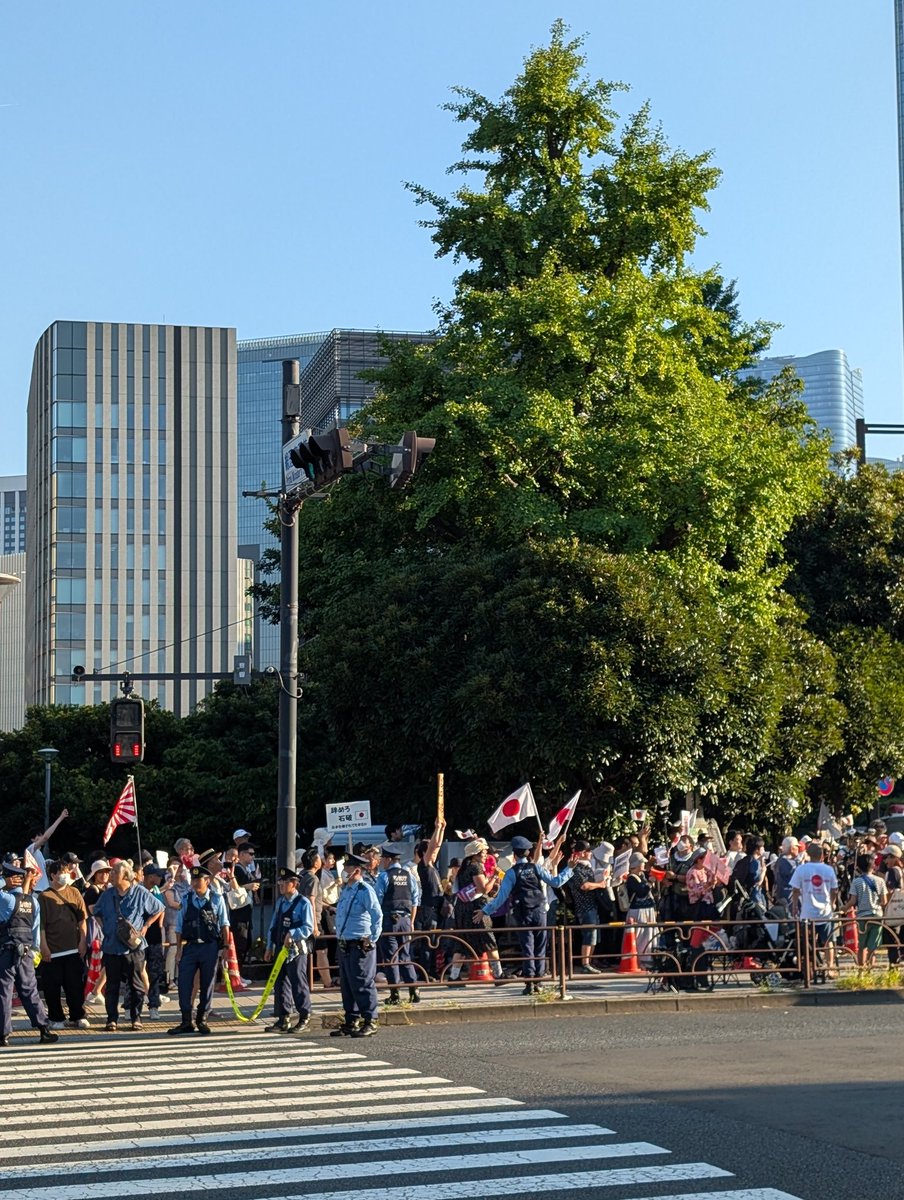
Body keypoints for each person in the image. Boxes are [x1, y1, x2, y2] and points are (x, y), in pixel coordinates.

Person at [481, 834, 572, 994]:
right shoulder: (536, 868)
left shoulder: (511, 873)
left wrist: (485, 911)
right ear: (528, 853)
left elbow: (501, 897)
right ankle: (539, 982)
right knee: (540, 946)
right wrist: (569, 868)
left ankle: (529, 983)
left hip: (522, 912)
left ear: (514, 854)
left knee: (527, 946)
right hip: (540, 911)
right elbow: (556, 882)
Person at [92, 860, 165, 1031]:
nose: (111, 875)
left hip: (134, 948)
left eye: (114, 872)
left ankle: (136, 1017)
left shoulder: (140, 892)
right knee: (112, 985)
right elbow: (96, 912)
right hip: (111, 946)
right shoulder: (107, 894)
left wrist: (146, 926)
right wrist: (104, 928)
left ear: (125, 875)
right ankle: (111, 1019)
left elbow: (159, 908)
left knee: (136, 985)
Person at [0, 861, 59, 1046]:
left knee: (4, 992)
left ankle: (3, 1035)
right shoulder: (33, 901)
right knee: (30, 990)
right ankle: (44, 1030)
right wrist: (35, 951)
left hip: (6, 951)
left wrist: (3, 882)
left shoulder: (6, 899)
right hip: (25, 952)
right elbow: (35, 930)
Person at [167, 864, 229, 1036]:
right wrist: (179, 949)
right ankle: (186, 1020)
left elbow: (224, 924)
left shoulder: (217, 899)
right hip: (191, 946)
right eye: (193, 879)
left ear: (207, 881)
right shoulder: (186, 899)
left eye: (198, 879)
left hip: (210, 946)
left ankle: (202, 1019)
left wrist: (226, 947)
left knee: (207, 983)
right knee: (184, 983)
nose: (194, 883)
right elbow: (179, 927)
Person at [330, 852, 383, 1038]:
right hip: (345, 943)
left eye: (347, 867)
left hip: (360, 943)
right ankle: (351, 1021)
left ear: (357, 870)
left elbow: (377, 915)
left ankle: (370, 1020)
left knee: (362, 982)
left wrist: (372, 938)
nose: (344, 870)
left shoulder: (365, 890)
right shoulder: (346, 889)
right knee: (347, 984)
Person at [37, 859, 88, 1029]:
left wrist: (83, 941)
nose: (65, 875)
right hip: (53, 949)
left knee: (75, 985)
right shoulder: (44, 897)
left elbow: (82, 920)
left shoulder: (74, 892)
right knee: (52, 986)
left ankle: (78, 1015)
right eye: (61, 872)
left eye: (66, 872)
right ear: (52, 875)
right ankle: (56, 1017)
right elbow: (41, 926)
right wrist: (44, 946)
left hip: (73, 947)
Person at [263, 866, 315, 1035]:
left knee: (298, 983)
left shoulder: (303, 902)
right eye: (280, 882)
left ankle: (304, 1017)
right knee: (280, 984)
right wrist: (269, 946)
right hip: (280, 948)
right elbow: (273, 925)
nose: (281, 885)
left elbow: (308, 927)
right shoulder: (280, 902)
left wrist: (293, 933)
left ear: (294, 884)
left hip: (296, 950)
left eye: (285, 882)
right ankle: (283, 1017)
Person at [448, 839, 506, 984]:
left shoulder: (464, 868)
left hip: (462, 909)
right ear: (475, 854)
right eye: (483, 852)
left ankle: (453, 977)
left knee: (462, 943)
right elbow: (483, 889)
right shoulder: (475, 867)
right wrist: (494, 876)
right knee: (489, 940)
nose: (486, 855)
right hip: (476, 910)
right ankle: (499, 974)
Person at [374, 844, 421, 1005]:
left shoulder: (384, 877)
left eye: (383, 859)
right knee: (405, 955)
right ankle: (414, 990)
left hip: (389, 920)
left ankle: (395, 994)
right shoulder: (409, 875)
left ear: (388, 859)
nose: (381, 862)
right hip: (406, 920)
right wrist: (411, 922)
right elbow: (415, 900)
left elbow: (377, 901)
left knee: (391, 957)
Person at [790, 841, 839, 978]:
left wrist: (794, 906)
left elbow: (795, 890)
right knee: (828, 941)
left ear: (808, 854)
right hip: (825, 912)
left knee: (808, 942)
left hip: (807, 912)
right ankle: (829, 968)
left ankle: (810, 968)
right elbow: (834, 889)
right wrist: (832, 903)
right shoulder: (829, 870)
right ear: (822, 855)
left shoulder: (801, 869)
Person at [845, 853, 888, 970]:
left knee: (862, 945)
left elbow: (852, 901)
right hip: (877, 916)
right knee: (873, 946)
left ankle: (861, 969)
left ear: (858, 867)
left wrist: (844, 908)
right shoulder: (880, 881)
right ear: (873, 865)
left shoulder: (856, 882)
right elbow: (884, 901)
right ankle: (870, 968)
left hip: (862, 916)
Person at [139, 863, 168, 1019]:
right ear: (149, 876)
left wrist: (158, 924)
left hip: (154, 937)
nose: (160, 877)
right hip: (139, 936)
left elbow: (161, 908)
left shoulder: (157, 891)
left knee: (155, 973)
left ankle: (154, 1005)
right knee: (135, 971)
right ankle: (131, 1005)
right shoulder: (137, 890)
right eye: (157, 875)